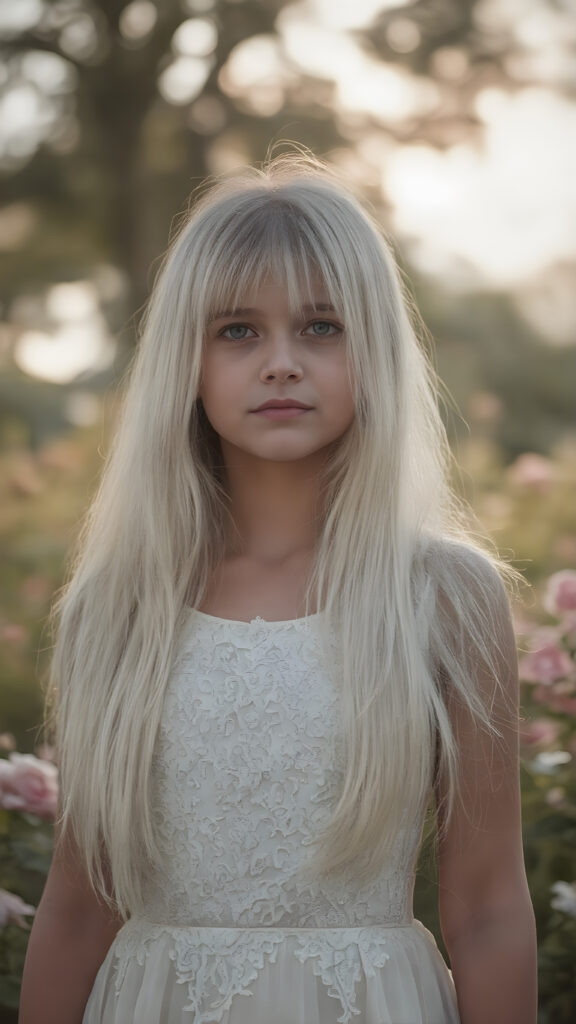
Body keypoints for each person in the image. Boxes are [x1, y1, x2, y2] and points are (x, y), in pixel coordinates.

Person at [19, 150, 537, 1024]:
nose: (282, 363)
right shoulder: (119, 605)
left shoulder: (445, 596)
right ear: (186, 359)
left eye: (322, 327)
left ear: (374, 348)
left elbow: (485, 909)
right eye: (238, 330)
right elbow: (78, 905)